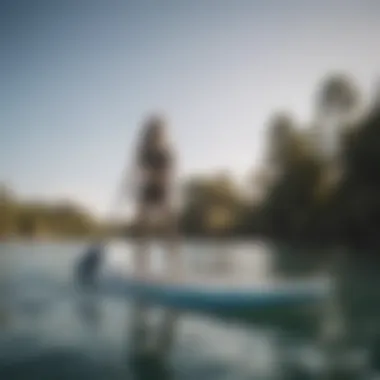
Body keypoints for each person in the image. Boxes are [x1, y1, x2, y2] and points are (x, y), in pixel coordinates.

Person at [127, 114, 179, 279]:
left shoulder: (166, 152)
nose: (157, 134)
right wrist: (134, 185)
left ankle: (175, 269)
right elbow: (137, 173)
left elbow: (169, 175)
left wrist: (156, 177)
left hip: (162, 191)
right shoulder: (143, 152)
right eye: (154, 131)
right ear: (149, 133)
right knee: (142, 230)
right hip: (146, 191)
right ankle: (140, 268)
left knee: (169, 231)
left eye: (159, 131)